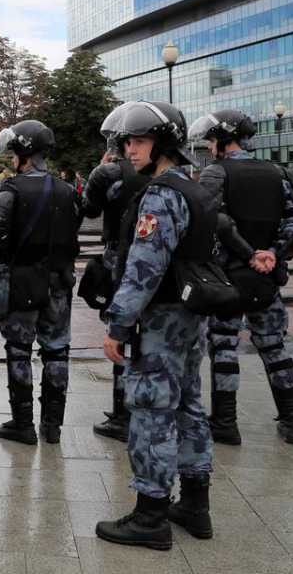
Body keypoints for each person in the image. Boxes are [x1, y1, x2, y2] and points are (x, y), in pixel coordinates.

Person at [95, 101, 214, 550]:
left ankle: (150, 515)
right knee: (189, 406)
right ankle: (195, 505)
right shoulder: (195, 188)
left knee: (151, 412)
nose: (129, 149)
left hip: (162, 321)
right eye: (126, 141)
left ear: (162, 143)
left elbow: (145, 268)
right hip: (189, 319)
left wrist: (119, 324)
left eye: (138, 140)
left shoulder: (162, 195)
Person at [188, 109, 293, 445]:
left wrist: (248, 254)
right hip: (267, 278)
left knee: (224, 344)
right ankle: (292, 421)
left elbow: (215, 222)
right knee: (274, 345)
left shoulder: (216, 173)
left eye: (212, 139)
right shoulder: (278, 172)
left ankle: (225, 423)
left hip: (228, 277)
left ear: (224, 139)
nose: (210, 145)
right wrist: (272, 256)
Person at [0, 120, 82, 445]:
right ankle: (52, 426)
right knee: (57, 351)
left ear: (23, 154)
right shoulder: (68, 191)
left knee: (19, 350)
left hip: (22, 281)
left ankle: (22, 423)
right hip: (59, 283)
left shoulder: (11, 190)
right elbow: (73, 238)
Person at [79, 107, 150, 442]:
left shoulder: (112, 173)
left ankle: (123, 414)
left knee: (121, 336)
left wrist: (102, 168)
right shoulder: (168, 173)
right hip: (157, 263)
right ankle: (145, 408)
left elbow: (89, 208)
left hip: (121, 260)